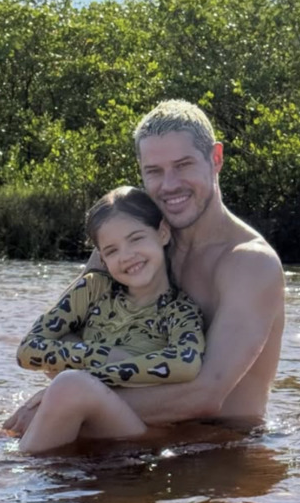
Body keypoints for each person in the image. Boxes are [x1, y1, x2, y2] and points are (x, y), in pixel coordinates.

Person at [3, 99, 285, 440]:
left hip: (215, 451)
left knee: (60, 401)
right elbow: (59, 341)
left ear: (216, 158)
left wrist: (71, 402)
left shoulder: (250, 264)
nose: (169, 185)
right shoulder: (132, 246)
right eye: (154, 171)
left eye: (183, 165)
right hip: (124, 434)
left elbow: (207, 395)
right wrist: (87, 383)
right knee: (4, 450)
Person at [16, 185, 205, 453]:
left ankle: (7, 477)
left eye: (136, 238)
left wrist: (89, 377)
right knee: (7, 434)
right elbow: (28, 350)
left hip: (138, 432)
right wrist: (102, 354)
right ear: (102, 259)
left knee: (70, 385)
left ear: (162, 232)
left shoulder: (179, 310)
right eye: (112, 250)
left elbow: (185, 363)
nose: (127, 256)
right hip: (80, 412)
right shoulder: (93, 289)